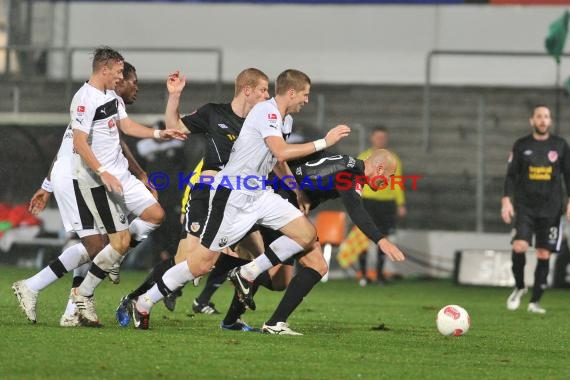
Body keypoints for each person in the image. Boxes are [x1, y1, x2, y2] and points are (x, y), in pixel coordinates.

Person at [129, 69, 361, 330]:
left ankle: (247, 273)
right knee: (200, 263)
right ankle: (144, 302)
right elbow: (280, 150)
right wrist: (324, 142)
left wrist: (295, 191)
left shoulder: (284, 120)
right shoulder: (265, 112)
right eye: (305, 95)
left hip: (258, 193)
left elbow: (277, 160)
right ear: (292, 92)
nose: (306, 100)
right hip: (231, 194)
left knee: (306, 233)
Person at [115, 67, 272, 327]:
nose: (268, 96)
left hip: (241, 199)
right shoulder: (214, 113)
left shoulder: (261, 123)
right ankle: (136, 298)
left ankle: (231, 319)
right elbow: (174, 127)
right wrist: (175, 96)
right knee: (189, 263)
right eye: (264, 90)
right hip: (207, 196)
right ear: (247, 90)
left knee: (253, 258)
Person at [11, 60, 156, 326]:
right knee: (97, 245)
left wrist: (140, 174)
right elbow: (73, 147)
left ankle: (70, 311)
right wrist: (48, 186)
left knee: (98, 244)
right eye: (130, 80)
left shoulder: (104, 106)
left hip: (76, 175)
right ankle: (35, 286)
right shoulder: (94, 100)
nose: (136, 87)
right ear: (119, 80)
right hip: (74, 177)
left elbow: (112, 144)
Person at [60, 46, 184, 326]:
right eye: (118, 70)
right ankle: (84, 293)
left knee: (155, 214)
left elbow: (126, 127)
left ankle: (112, 257)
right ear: (105, 69)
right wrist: (103, 172)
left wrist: (159, 133)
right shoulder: (84, 98)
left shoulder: (112, 97)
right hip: (97, 180)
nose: (121, 75)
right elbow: (79, 143)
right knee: (119, 241)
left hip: (120, 176)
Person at [220, 149, 406, 335]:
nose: (388, 182)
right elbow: (357, 211)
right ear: (380, 169)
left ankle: (231, 317)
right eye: (389, 176)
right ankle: (274, 321)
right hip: (280, 205)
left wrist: (295, 186)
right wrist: (381, 241)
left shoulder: (343, 160)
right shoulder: (350, 174)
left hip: (275, 197)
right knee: (317, 265)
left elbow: (304, 159)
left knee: (279, 280)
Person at [501, 104, 570, 314]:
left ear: (550, 121)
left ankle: (534, 302)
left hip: (551, 209)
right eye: (539, 116)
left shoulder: (560, 145)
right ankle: (519, 287)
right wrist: (506, 200)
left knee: (543, 253)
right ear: (532, 120)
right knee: (519, 246)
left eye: (546, 117)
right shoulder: (522, 145)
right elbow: (511, 176)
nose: (543, 120)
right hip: (525, 207)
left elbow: (568, 175)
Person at [356, 126, 406, 285]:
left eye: (384, 137)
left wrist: (400, 203)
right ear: (372, 138)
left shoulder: (393, 159)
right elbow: (356, 181)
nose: (381, 140)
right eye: (378, 137)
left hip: (387, 203)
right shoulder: (364, 157)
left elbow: (398, 182)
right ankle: (363, 274)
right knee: (363, 237)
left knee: (384, 237)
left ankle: (379, 274)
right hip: (368, 202)